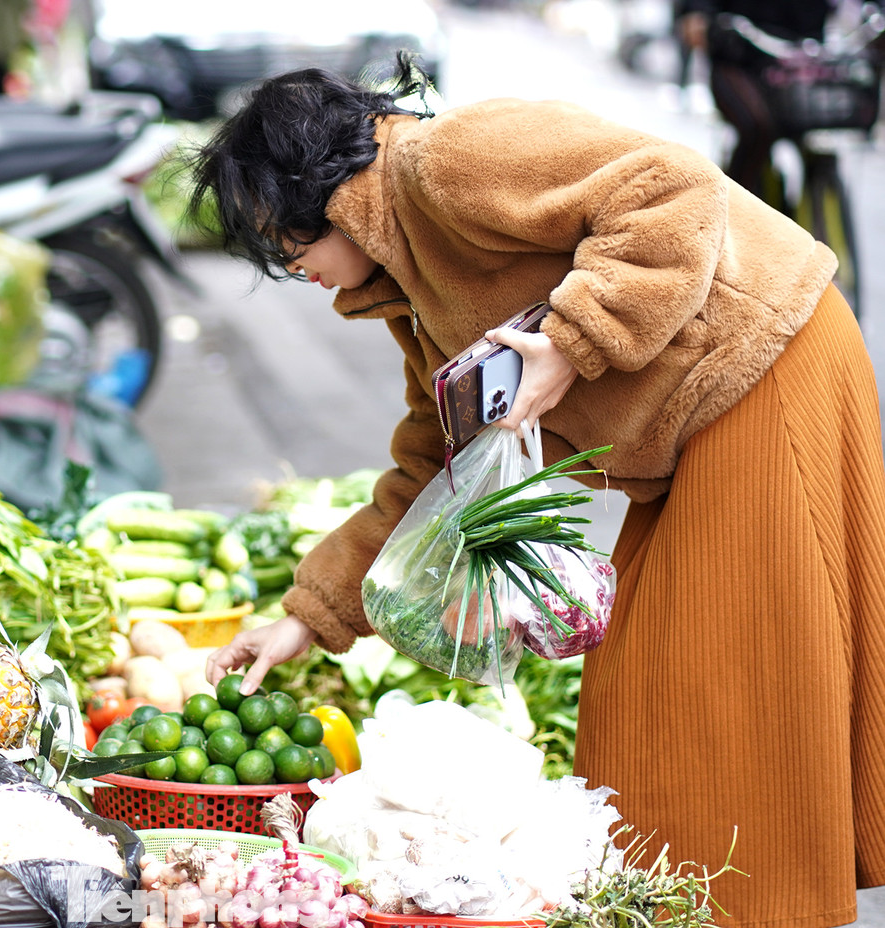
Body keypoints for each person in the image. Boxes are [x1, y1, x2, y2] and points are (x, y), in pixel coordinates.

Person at [190, 56, 885, 928]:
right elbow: (429, 466)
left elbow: (672, 191)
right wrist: (307, 615)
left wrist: (571, 339)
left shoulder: (451, 162)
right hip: (686, 426)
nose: (296, 270)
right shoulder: (405, 285)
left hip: (762, 366)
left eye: (285, 246)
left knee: (733, 691)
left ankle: (759, 911)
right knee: (640, 700)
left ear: (318, 192)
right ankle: (683, 908)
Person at [675, 0, 836, 199]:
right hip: (737, 58)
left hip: (799, 63)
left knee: (816, 124)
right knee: (757, 127)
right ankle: (731, 205)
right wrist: (698, 15)